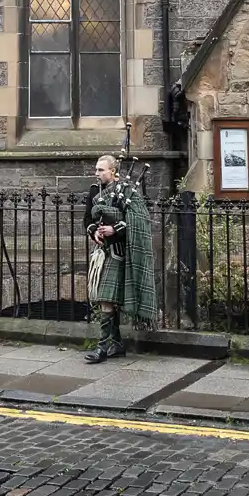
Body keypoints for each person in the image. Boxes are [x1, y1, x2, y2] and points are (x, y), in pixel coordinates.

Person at [84, 153, 156, 363]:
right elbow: (88, 217)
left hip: (122, 253)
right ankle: (116, 344)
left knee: (106, 299)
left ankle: (101, 348)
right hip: (102, 253)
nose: (96, 173)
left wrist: (115, 228)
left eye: (101, 170)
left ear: (113, 171)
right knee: (105, 300)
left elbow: (138, 219)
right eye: (96, 169)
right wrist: (94, 232)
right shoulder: (93, 191)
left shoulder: (127, 191)